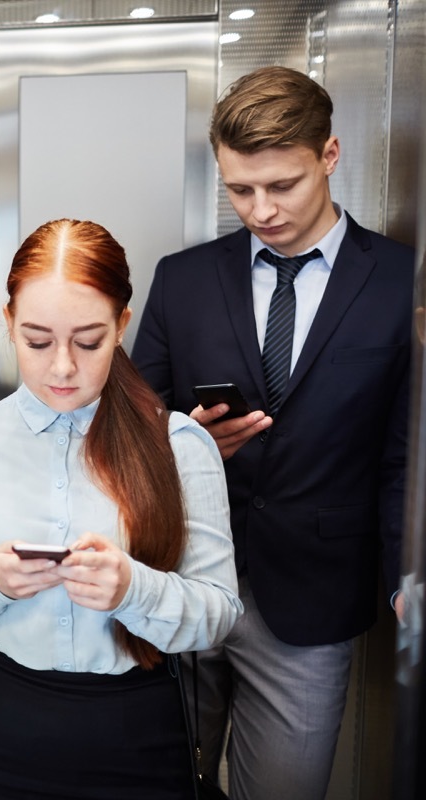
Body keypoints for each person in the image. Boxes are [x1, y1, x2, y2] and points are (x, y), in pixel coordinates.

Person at [132, 65, 413, 799]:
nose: (260, 210)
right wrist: (183, 446)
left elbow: (404, 459)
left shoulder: (399, 282)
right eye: (239, 190)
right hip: (181, 579)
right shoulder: (183, 279)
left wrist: (409, 578)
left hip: (311, 601)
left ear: (329, 155)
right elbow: (127, 431)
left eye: (281, 185)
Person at [0, 218, 242, 799]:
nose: (62, 366)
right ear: (8, 324)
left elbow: (219, 614)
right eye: (37, 341)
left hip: (139, 731)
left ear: (121, 328)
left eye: (88, 342)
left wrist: (132, 590)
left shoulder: (180, 445)